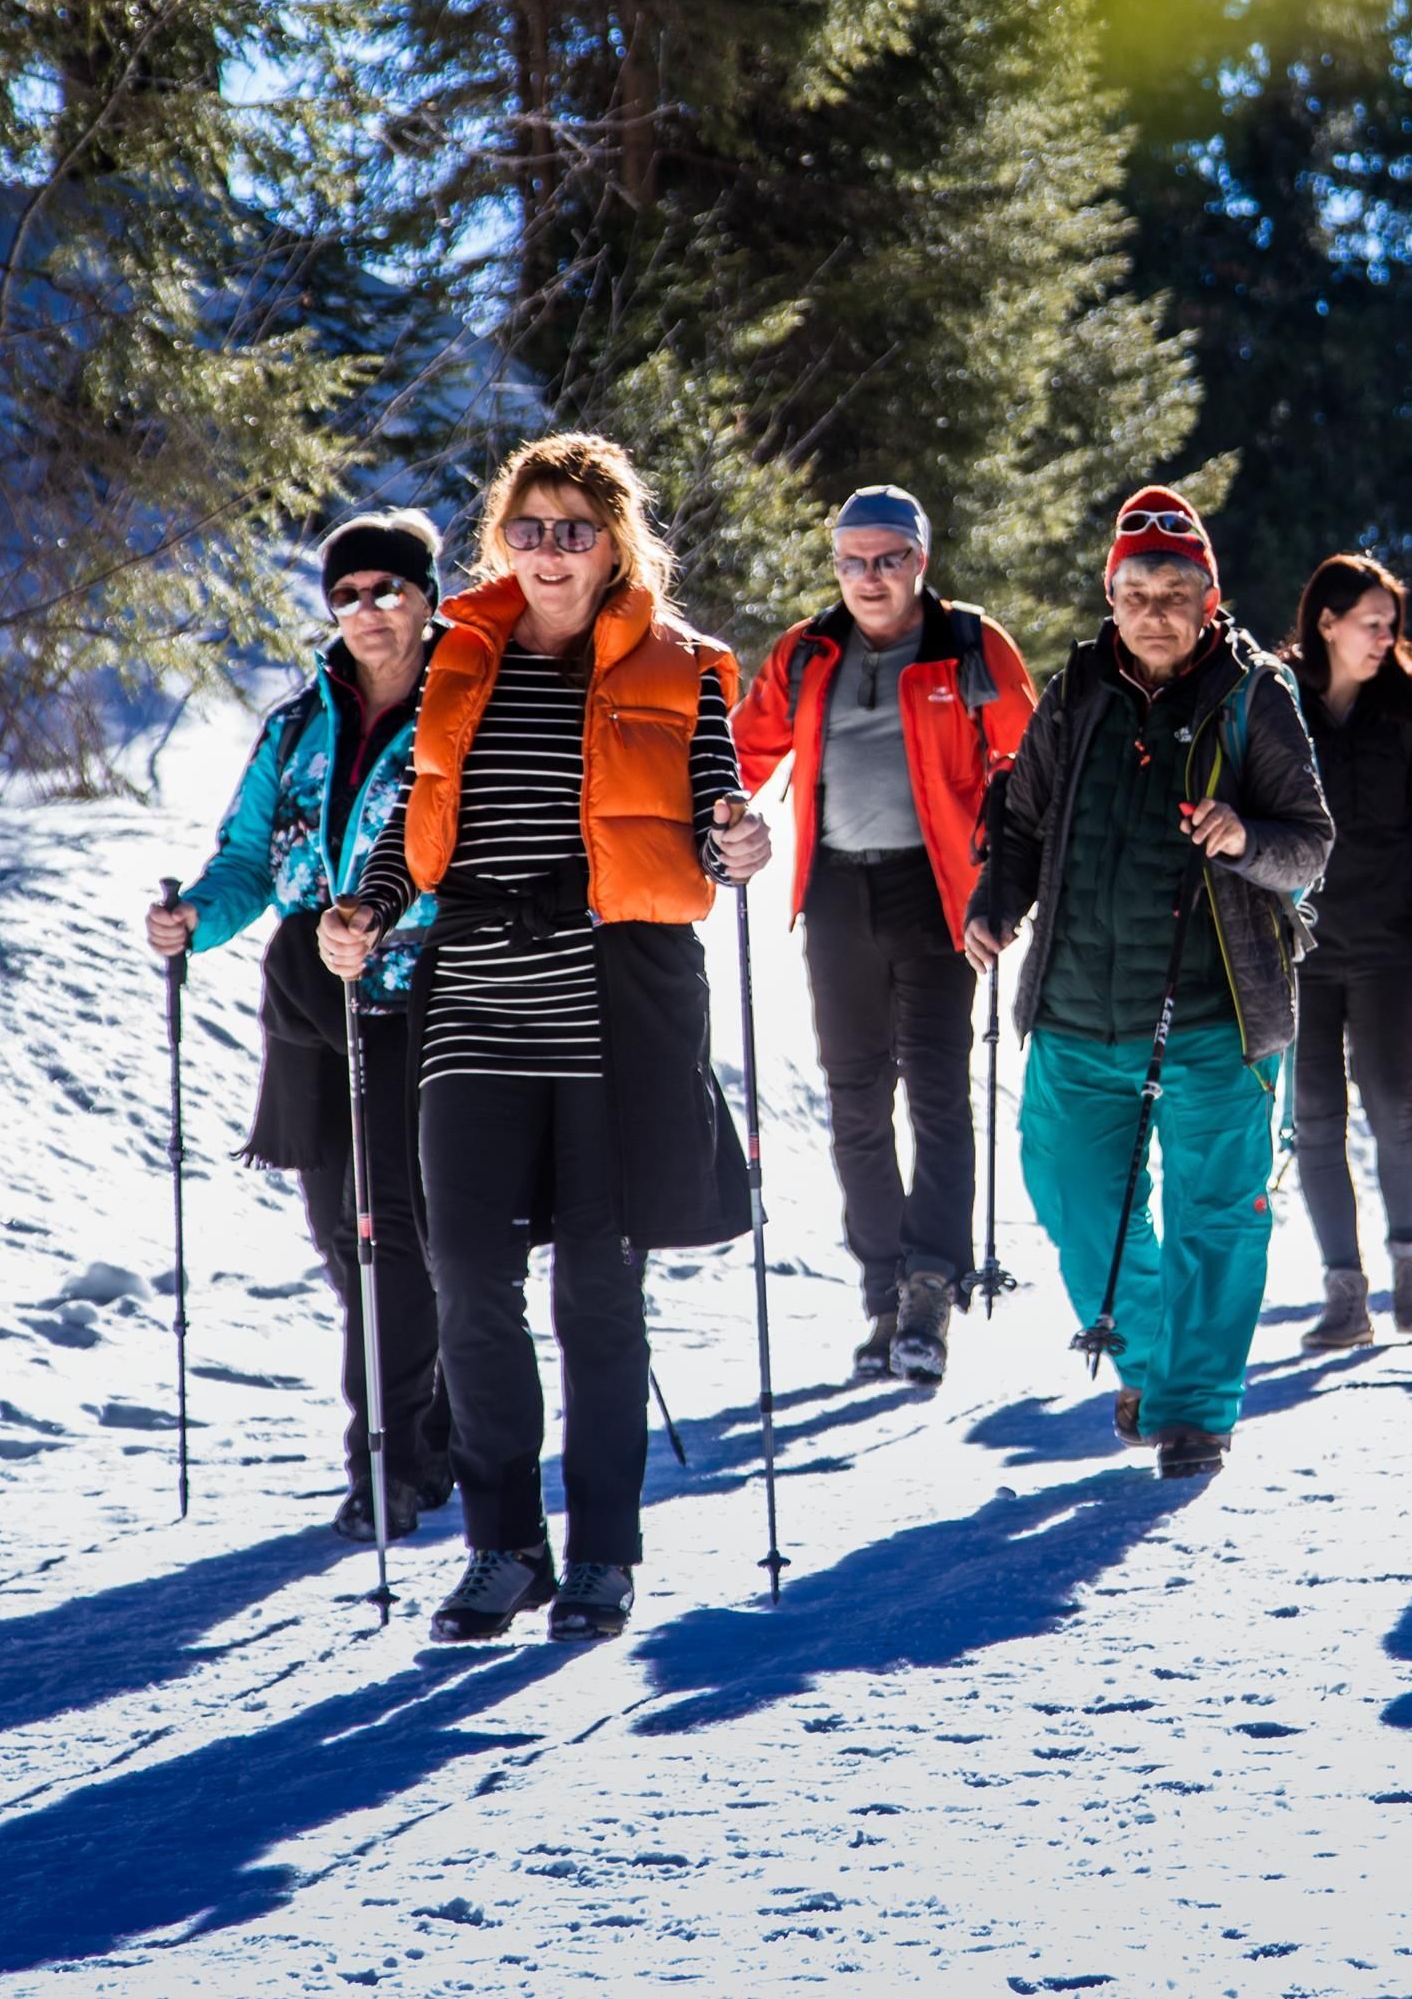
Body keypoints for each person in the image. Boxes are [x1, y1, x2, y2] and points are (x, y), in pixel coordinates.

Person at [321, 434, 757, 1646]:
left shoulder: (685, 666)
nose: (550, 550)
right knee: (466, 1278)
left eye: (574, 528)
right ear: (497, 541)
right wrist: (363, 905)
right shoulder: (459, 653)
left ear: (616, 541)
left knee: (597, 1295)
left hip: (609, 1010)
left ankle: (604, 1554)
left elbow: (718, 800)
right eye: (528, 527)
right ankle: (504, 1545)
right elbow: (415, 809)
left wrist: (735, 837)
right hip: (472, 1008)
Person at [963, 487, 1334, 1479]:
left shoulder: (1256, 696)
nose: (1156, 610)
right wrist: (995, 902)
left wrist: (1246, 837)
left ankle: (1194, 1411)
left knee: (1216, 1215)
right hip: (1076, 1015)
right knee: (1075, 1198)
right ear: (1109, 595)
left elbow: (1311, 847)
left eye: (1176, 591)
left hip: (1217, 1016)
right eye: (1137, 591)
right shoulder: (1075, 690)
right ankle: (1153, 1359)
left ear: (1210, 599)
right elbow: (1020, 821)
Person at [146, 511, 454, 1542]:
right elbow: (245, 858)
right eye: (348, 593)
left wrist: (389, 919)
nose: (368, 611)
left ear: (425, 595)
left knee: (396, 1233)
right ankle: (429, 1411)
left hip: (424, 989)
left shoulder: (469, 705)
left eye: (388, 590)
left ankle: (393, 1461)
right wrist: (195, 916)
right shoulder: (296, 724)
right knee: (341, 1234)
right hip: (310, 998)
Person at [728, 486, 1036, 1388]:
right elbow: (742, 747)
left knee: (937, 1091)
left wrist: (1002, 892)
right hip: (834, 892)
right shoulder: (808, 650)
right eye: (853, 559)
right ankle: (881, 1289)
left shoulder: (969, 645)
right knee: (854, 1098)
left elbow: (1026, 772)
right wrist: (710, 809)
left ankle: (931, 1288)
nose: (870, 576)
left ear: (920, 561)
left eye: (888, 557)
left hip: (940, 895)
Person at [1278, 554, 1412, 1350]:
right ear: (1326, 622)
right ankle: (1343, 1292)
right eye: (1371, 623)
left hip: (1390, 942)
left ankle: (1409, 1264)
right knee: (1315, 1116)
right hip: (1300, 948)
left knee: (1393, 1099)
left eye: (1392, 625)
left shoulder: (1408, 709)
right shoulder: (1276, 700)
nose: (1387, 638)